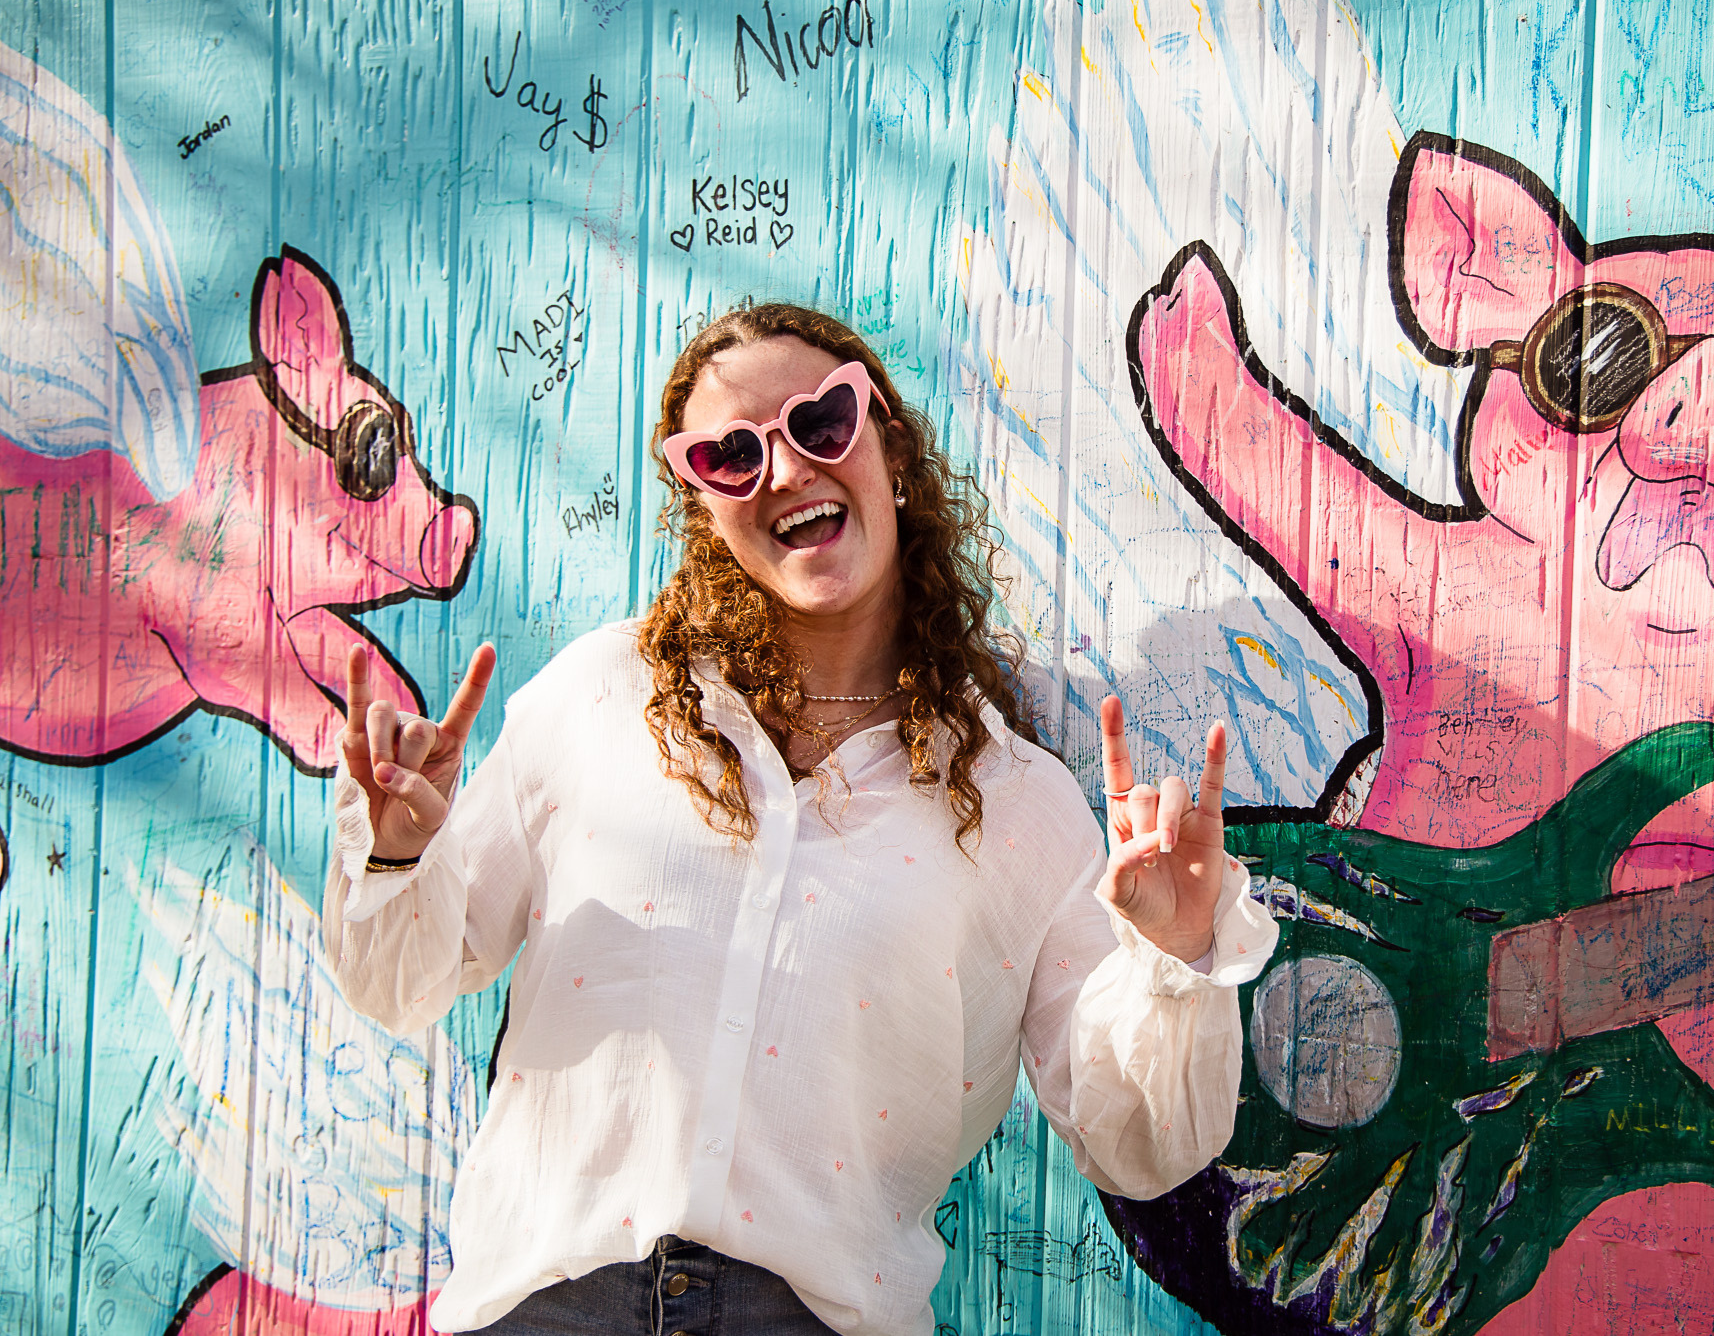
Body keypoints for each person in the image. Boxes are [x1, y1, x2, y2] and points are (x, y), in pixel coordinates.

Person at [322, 303, 1279, 1335]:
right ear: (703, 506)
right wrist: (398, 850)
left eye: (820, 423)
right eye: (730, 455)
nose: (782, 468)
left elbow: (1138, 1143)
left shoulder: (1021, 809)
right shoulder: (591, 701)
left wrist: (1172, 960)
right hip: (543, 1308)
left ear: (889, 450)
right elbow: (399, 983)